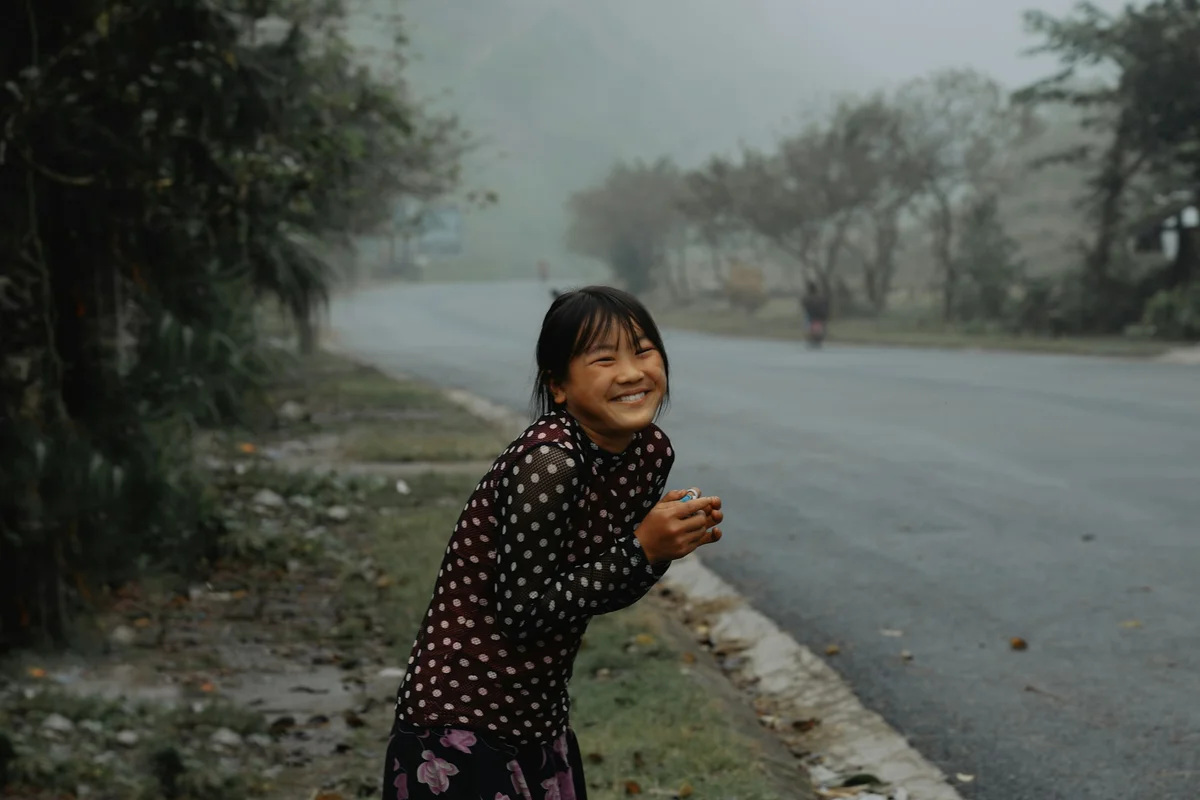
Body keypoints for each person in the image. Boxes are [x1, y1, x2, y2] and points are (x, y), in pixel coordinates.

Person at [381, 285, 724, 800]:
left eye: (644, 350)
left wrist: (658, 549)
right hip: (460, 719)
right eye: (604, 359)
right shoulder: (549, 461)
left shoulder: (648, 452)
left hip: (538, 718)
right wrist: (643, 550)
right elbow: (525, 611)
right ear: (558, 385)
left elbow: (596, 589)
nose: (632, 373)